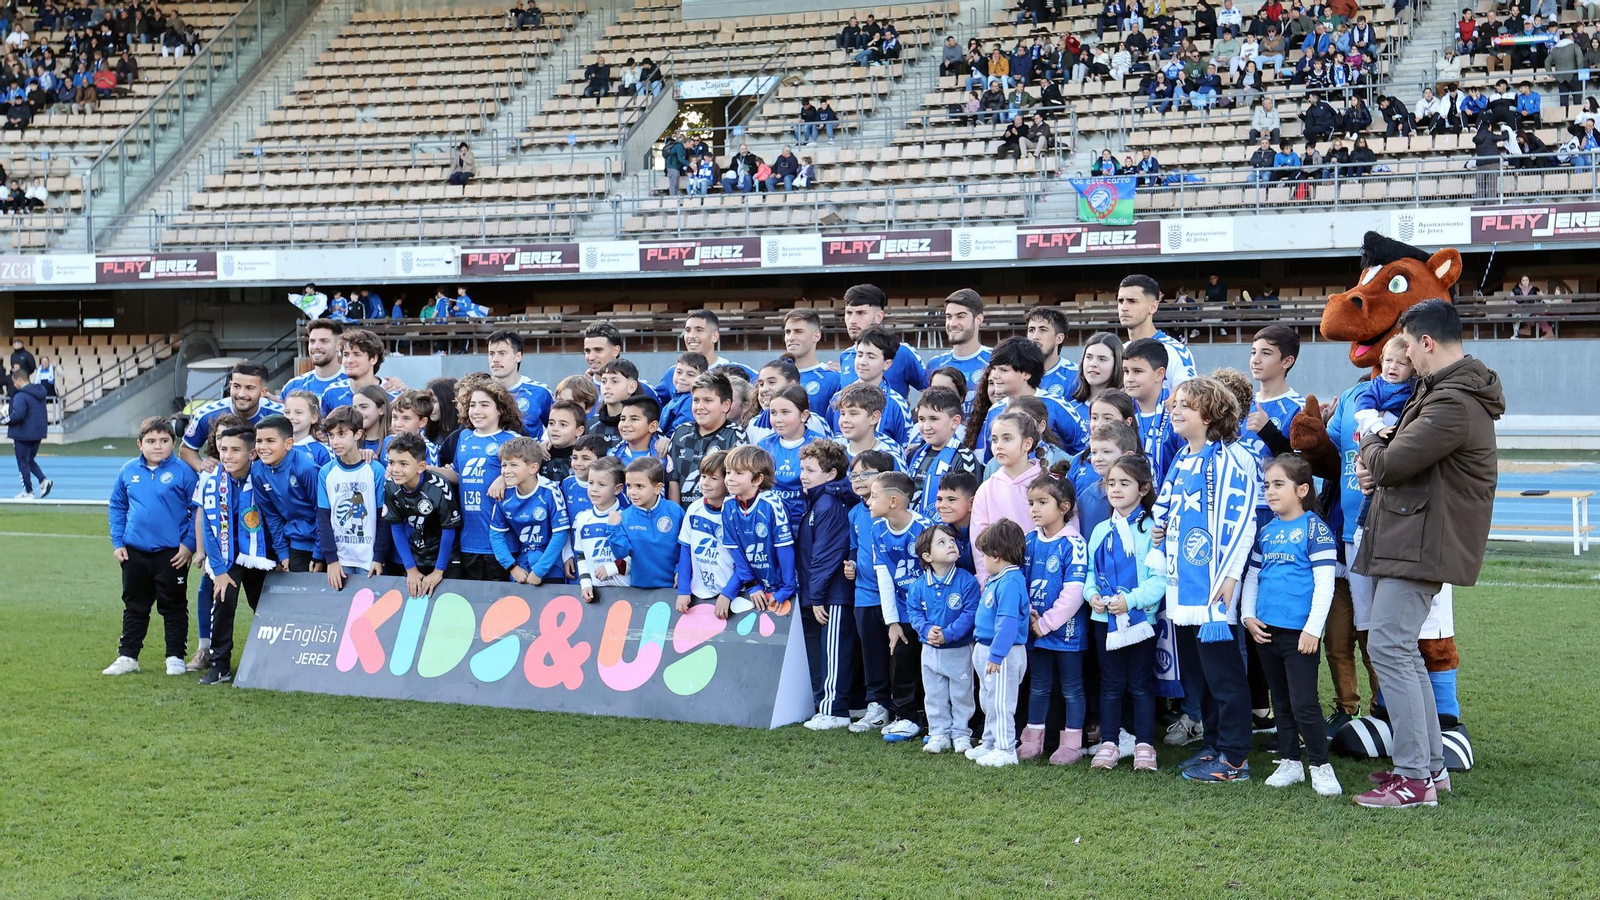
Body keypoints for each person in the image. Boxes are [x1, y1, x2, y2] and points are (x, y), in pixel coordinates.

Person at [1350, 300, 1502, 808]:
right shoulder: (1447, 394)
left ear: (1427, 343)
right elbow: (1399, 464)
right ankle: (1430, 771)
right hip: (1413, 538)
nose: (1406, 356)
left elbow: (1391, 461)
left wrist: (1368, 442)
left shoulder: (1451, 402)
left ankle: (1413, 779)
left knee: (1389, 648)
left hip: (1420, 542)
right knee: (1401, 650)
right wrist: (1380, 459)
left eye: (1409, 346)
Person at [1155, 377, 1260, 784]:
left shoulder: (1234, 458)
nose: (1175, 410)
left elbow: (1243, 522)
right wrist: (1162, 532)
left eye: (1186, 404)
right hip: (1183, 586)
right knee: (1199, 677)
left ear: (1212, 412)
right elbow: (1167, 507)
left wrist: (1231, 574)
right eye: (1174, 404)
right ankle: (1214, 745)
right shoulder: (1183, 455)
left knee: (1225, 676)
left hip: (1215, 585)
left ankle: (1235, 759)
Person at [1242, 454, 1343, 797]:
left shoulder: (1316, 529)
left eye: (1278, 485)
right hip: (1266, 631)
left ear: (1302, 490)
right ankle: (1290, 762)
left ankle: (1320, 765)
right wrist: (1248, 616)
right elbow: (1254, 577)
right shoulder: (1266, 531)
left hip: (1301, 635)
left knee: (1304, 703)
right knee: (1280, 701)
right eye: (1267, 485)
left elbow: (1325, 583)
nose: (1270, 492)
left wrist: (1313, 629)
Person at [1083, 453, 1165, 767]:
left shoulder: (1152, 529)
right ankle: (1110, 743)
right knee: (1111, 682)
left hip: (1140, 619)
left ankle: (1144, 744)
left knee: (1141, 682)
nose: (1116, 489)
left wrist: (1130, 601)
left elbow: (1159, 579)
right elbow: (1090, 573)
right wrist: (1092, 596)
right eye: (1111, 483)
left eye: (1124, 483)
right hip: (1105, 619)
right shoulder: (1101, 530)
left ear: (1143, 489)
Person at [103, 417, 198, 676]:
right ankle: (128, 656)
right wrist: (118, 542)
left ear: (173, 443)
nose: (158, 446)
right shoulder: (128, 471)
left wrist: (188, 545)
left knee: (174, 606)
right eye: (151, 441)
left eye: (164, 441)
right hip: (135, 552)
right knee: (135, 605)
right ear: (139, 444)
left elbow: (196, 510)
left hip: (171, 554)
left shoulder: (184, 473)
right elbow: (117, 506)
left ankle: (175, 657)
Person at [1017, 465, 1090, 764]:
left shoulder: (1074, 543)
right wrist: (1030, 618)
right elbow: (1018, 583)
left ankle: (1072, 744)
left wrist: (1045, 623)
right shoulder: (1028, 540)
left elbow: (1073, 592)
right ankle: (1033, 741)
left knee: (1072, 688)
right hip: (1036, 629)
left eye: (1042, 502)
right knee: (1038, 686)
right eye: (1031, 503)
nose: (1034, 509)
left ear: (1065, 508)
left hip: (1066, 632)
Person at [196, 424, 276, 684]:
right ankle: (220, 666)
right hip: (226, 557)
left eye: (235, 450)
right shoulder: (211, 480)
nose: (227, 455)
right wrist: (218, 570)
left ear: (252, 453)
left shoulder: (264, 477)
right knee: (223, 603)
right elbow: (209, 528)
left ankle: (274, 660)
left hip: (259, 554)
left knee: (264, 607)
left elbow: (276, 519)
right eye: (223, 449)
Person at [797, 440, 860, 731]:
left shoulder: (829, 504)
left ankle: (834, 709)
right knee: (831, 649)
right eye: (802, 469)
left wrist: (816, 595)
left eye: (810, 470)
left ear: (831, 474)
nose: (803, 475)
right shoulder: (819, 500)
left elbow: (827, 553)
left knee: (834, 650)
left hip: (835, 592)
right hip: (827, 590)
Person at [867, 471, 934, 743]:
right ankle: (906, 718)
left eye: (873, 496)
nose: (868, 501)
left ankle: (933, 722)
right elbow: (883, 575)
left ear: (893, 501)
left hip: (930, 611)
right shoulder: (877, 530)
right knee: (902, 662)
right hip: (903, 610)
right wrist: (892, 621)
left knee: (931, 666)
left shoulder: (924, 528)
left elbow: (935, 573)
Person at [906, 524, 981, 753]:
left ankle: (960, 733)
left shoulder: (967, 581)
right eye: (942, 542)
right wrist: (926, 630)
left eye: (951, 541)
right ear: (927, 556)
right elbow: (914, 612)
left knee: (962, 694)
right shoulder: (918, 586)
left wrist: (948, 635)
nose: (950, 545)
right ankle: (938, 733)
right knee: (934, 694)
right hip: (929, 651)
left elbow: (970, 613)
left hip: (959, 649)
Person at [967, 518, 1030, 767]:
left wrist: (996, 655)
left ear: (995, 555)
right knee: (989, 700)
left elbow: (1007, 622)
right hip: (988, 650)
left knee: (1002, 703)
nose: (982, 560)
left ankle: (1005, 749)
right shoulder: (998, 579)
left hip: (1004, 654)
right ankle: (990, 742)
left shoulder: (1011, 581)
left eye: (984, 554)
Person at [846, 451, 895, 732]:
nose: (859, 480)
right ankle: (876, 706)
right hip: (864, 595)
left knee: (897, 655)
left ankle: (902, 707)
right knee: (871, 653)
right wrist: (852, 564)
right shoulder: (854, 513)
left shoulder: (893, 511)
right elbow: (856, 547)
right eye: (854, 474)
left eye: (866, 474)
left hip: (893, 598)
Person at [719, 445, 798, 615]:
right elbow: (736, 551)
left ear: (757, 480)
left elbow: (785, 549)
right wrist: (751, 584)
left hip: (785, 588)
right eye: (728, 472)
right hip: (755, 586)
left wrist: (787, 587)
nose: (730, 478)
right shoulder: (727, 505)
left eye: (739, 473)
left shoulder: (772, 504)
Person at [384, 432, 461, 597]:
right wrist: (410, 568)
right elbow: (396, 527)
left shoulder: (439, 487)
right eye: (391, 463)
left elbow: (449, 530)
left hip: (445, 558)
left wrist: (439, 571)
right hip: (417, 556)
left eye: (403, 464)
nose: (395, 469)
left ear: (421, 467)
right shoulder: (391, 486)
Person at [970, 410, 1043, 583]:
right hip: (1002, 582)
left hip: (1043, 574)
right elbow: (979, 542)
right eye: (994, 439)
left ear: (1027, 444)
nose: (999, 445)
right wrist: (985, 582)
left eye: (1007, 439)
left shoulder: (1048, 484)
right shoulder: (986, 489)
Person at [488, 437, 567, 586]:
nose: (506, 471)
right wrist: (512, 567)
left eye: (513, 465)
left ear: (533, 468)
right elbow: (495, 535)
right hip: (522, 565)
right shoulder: (504, 494)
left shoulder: (549, 491)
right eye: (504, 465)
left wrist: (539, 571)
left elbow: (560, 534)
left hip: (551, 563)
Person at [251, 416, 322, 573]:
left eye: (270, 441)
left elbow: (322, 512)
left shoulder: (305, 468)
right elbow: (272, 516)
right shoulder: (257, 471)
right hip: (296, 543)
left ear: (288, 444)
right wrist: (282, 552)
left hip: (322, 544)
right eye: (259, 441)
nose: (262, 447)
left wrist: (319, 553)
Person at [181, 362, 283, 471]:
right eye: (236, 386)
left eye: (250, 388)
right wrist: (200, 464)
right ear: (230, 386)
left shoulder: (281, 415)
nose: (241, 394)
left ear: (263, 391)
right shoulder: (208, 414)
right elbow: (186, 448)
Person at [904, 388, 981, 521]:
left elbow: (968, 506)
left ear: (955, 422)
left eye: (933, 419)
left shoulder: (964, 458)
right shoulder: (915, 454)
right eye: (922, 419)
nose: (926, 426)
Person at [1117, 273, 1197, 396]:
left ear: (1153, 307)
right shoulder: (1119, 350)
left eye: (1132, 301)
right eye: (1120, 301)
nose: (1123, 308)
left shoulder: (1175, 352)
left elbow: (1190, 404)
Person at [677, 448, 734, 613]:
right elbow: (686, 551)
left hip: (731, 594)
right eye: (703, 476)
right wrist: (683, 588)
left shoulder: (734, 513)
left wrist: (728, 593)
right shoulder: (694, 509)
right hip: (698, 593)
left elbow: (742, 562)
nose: (705, 483)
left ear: (728, 482)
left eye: (714, 478)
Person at [573, 457, 629, 600]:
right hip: (597, 595)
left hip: (627, 592)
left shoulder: (628, 517)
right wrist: (585, 583)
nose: (594, 489)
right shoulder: (582, 519)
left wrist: (611, 569)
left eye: (602, 484)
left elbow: (638, 556)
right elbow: (581, 555)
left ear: (618, 489)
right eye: (591, 483)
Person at [487, 330, 554, 440]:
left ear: (518, 356)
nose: (495, 359)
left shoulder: (540, 392)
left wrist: (545, 442)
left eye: (502, 353)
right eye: (491, 354)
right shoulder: (480, 392)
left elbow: (557, 424)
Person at [6, 367, 50, 499]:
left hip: (22, 433)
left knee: (23, 463)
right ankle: (43, 480)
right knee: (29, 460)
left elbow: (18, 415)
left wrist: (4, 420)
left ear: (19, 380)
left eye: (14, 382)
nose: (14, 385)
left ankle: (28, 491)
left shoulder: (21, 396)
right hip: (37, 432)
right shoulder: (40, 393)